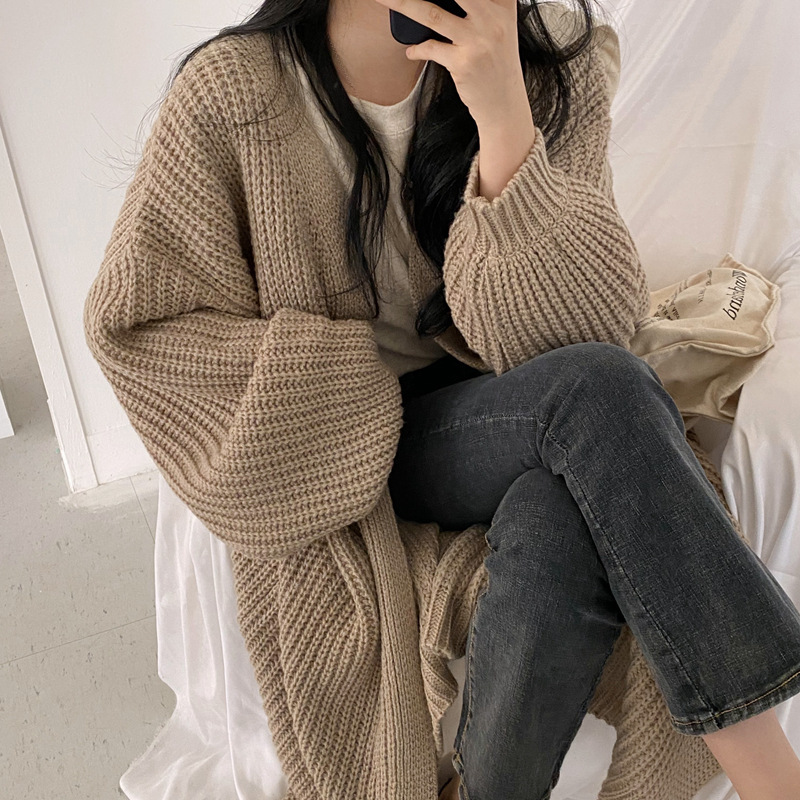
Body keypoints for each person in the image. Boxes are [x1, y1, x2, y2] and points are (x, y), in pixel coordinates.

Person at [84, 0, 800, 798]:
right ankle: (775, 781)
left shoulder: (549, 56)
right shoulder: (234, 93)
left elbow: (582, 331)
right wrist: (338, 388)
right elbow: (141, 327)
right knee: (599, 389)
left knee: (555, 512)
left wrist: (503, 121)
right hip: (338, 441)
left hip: (505, 406)